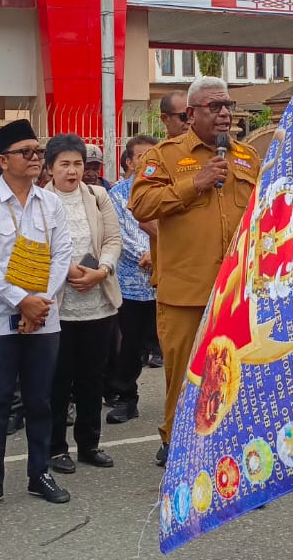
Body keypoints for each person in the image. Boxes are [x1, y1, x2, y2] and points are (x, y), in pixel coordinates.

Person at [130, 77, 260, 467]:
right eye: (214, 106)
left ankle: (226, 448)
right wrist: (194, 184)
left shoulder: (247, 157)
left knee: (234, 373)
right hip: (185, 292)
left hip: (235, 291)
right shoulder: (165, 156)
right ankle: (178, 447)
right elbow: (140, 204)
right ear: (190, 114)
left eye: (228, 105)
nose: (224, 113)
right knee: (185, 376)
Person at [0, 120, 73, 513]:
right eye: (26, 152)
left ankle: (39, 473)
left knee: (40, 400)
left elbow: (62, 254)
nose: (35, 159)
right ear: (2, 159)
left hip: (45, 317)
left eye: (38, 151)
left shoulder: (51, 203)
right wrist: (20, 301)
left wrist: (40, 301)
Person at [42, 134, 122, 475]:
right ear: (49, 168)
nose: (73, 171)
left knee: (92, 378)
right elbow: (33, 247)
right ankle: (56, 448)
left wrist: (100, 271)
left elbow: (113, 239)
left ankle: (89, 444)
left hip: (98, 302)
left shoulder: (98, 195)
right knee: (58, 381)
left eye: (78, 164)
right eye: (65, 164)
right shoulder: (40, 200)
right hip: (60, 305)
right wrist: (66, 269)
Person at [107, 135, 159, 426]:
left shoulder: (169, 188)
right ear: (129, 161)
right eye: (143, 156)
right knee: (130, 344)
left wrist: (159, 253)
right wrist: (149, 252)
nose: (150, 162)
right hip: (132, 283)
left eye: (155, 156)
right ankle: (126, 398)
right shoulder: (118, 194)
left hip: (169, 280)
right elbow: (119, 235)